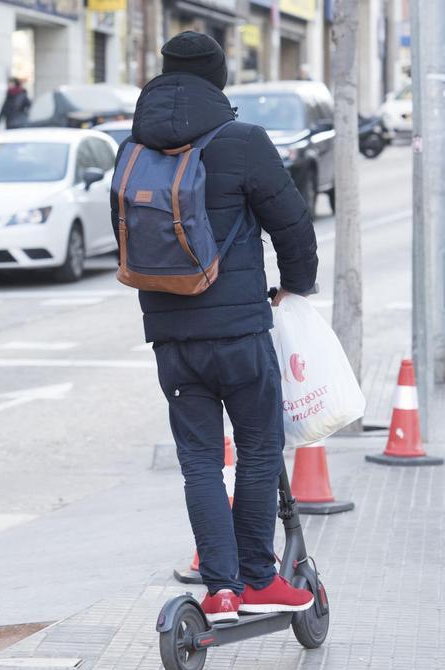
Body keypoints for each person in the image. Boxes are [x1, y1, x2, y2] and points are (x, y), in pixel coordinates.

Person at [110, 32, 319, 624]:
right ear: (219, 78)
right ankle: (258, 579)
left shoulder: (133, 149)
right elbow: (292, 224)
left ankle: (220, 591)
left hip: (171, 339)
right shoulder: (244, 141)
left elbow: (125, 236)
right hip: (240, 334)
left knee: (200, 461)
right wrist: (296, 286)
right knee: (257, 448)